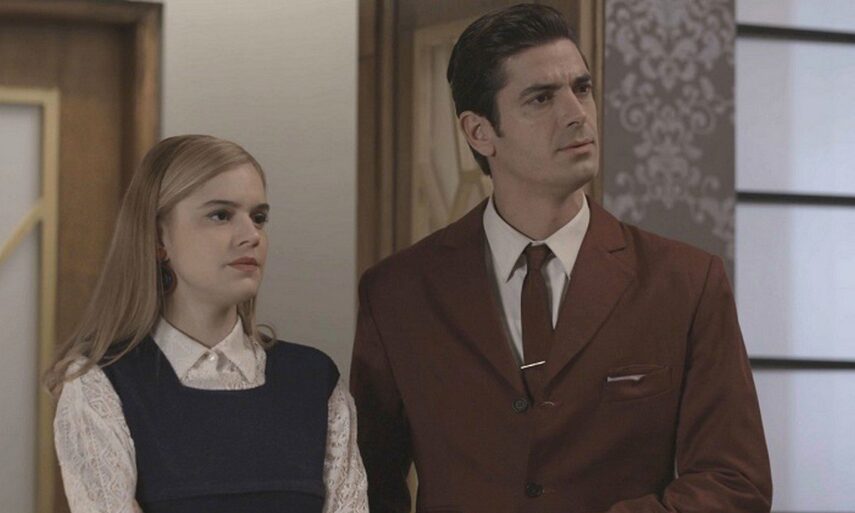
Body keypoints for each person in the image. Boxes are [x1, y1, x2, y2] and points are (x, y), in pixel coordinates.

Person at [350, 4, 771, 513]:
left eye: (582, 88)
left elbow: (734, 482)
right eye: (541, 97)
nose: (577, 114)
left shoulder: (685, 282)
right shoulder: (398, 292)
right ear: (480, 132)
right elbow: (367, 485)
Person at [46, 135, 368, 513]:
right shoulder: (101, 382)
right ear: (158, 237)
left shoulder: (314, 381)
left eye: (259, 218)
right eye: (221, 215)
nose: (251, 236)